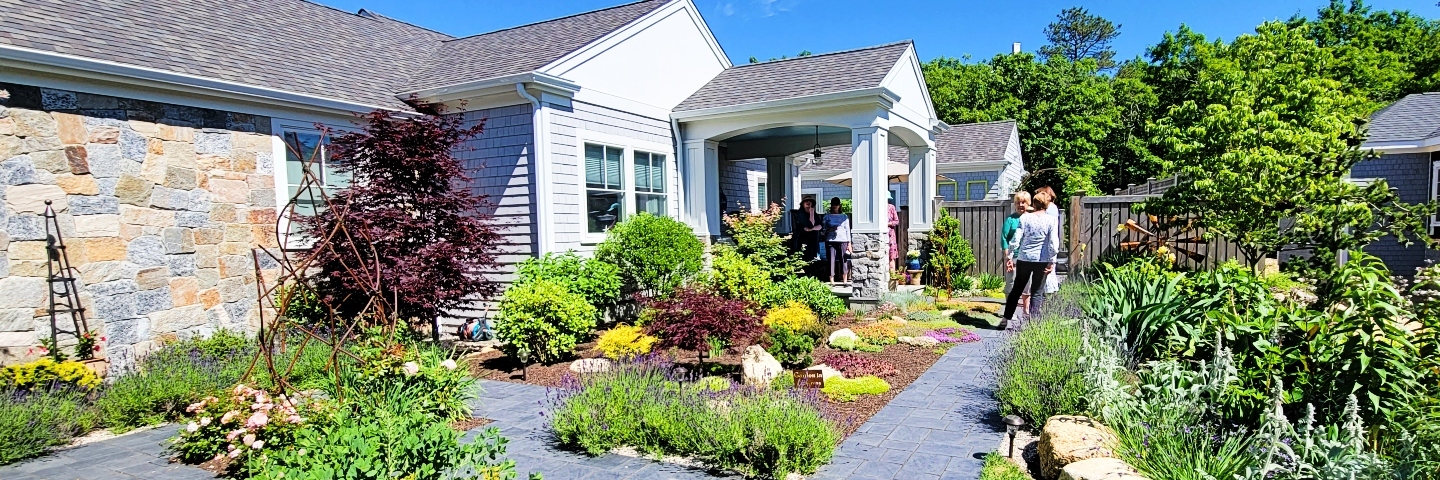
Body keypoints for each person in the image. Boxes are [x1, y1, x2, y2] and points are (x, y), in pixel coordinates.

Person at [1002, 190, 1059, 327]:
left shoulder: (1025, 218)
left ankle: (1005, 319)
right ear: (1047, 205)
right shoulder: (1051, 220)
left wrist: (1009, 256)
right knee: (1037, 292)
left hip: (1024, 259)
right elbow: (1053, 243)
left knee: (1016, 290)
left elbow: (1016, 240)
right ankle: (1034, 324)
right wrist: (1052, 261)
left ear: (1033, 204)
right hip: (1042, 260)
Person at [1001, 191, 1031, 313]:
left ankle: (1026, 310)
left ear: (1028, 203)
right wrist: (1007, 256)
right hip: (1013, 256)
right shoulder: (1011, 219)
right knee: (1011, 283)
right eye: (1018, 202)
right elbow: (1004, 237)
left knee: (1027, 284)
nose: (1021, 205)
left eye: (1023, 202)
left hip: (1028, 257)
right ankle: (1009, 310)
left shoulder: (1032, 218)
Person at [1034, 186, 1062, 296]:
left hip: (1045, 243)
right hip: (1049, 241)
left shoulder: (1050, 208)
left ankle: (1046, 296)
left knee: (1046, 272)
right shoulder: (1054, 207)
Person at [791, 198, 824, 278]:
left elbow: (818, 226)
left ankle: (811, 275)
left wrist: (812, 214)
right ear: (803, 204)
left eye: (810, 202)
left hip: (812, 240)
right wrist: (811, 228)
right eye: (806, 202)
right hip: (802, 239)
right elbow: (808, 225)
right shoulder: (799, 214)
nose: (809, 203)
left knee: (812, 257)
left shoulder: (814, 214)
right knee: (804, 257)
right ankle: (805, 275)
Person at [822, 197, 852, 285]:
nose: (835, 206)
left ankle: (845, 280)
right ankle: (832, 280)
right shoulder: (827, 216)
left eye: (837, 204)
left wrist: (849, 243)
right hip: (830, 241)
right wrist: (829, 229)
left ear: (839, 205)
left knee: (844, 260)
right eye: (833, 204)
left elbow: (847, 230)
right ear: (831, 205)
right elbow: (822, 231)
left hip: (843, 240)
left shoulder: (844, 216)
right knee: (831, 260)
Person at [887, 192, 900, 268]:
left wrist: (888, 224)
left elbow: (896, 221)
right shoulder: (877, 208)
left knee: (891, 256)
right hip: (881, 235)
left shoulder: (891, 207)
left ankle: (892, 277)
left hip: (890, 234)